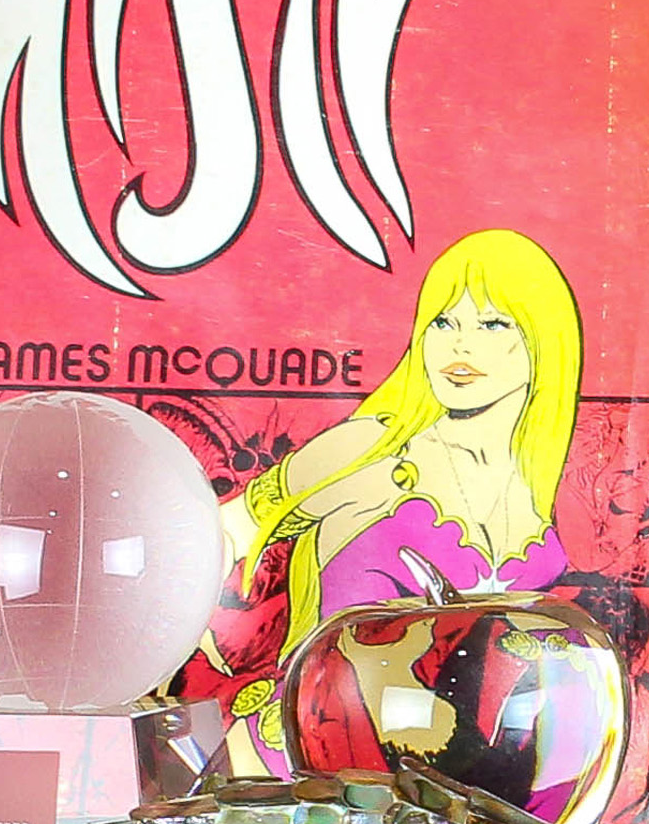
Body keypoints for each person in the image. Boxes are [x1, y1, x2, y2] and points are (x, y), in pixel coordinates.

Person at [184, 227, 585, 755]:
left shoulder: (536, 490)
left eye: (492, 323)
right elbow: (214, 536)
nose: (459, 342)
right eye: (443, 321)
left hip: (445, 777)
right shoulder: (373, 446)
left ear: (543, 342)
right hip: (302, 756)